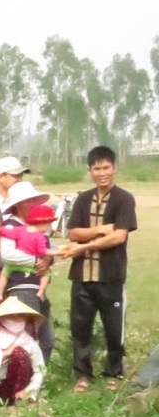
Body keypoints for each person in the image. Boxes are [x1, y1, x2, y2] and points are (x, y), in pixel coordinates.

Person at [65, 145, 137, 392]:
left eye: (106, 167)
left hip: (111, 274)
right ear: (90, 170)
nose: (102, 173)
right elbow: (73, 232)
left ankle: (113, 373)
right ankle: (83, 375)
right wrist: (98, 230)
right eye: (97, 168)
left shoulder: (124, 199)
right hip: (82, 275)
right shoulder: (83, 199)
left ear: (114, 168)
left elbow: (119, 236)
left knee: (114, 327)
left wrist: (84, 246)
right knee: (80, 328)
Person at [0, 181, 55, 361]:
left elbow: (49, 248)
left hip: (36, 283)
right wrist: (37, 261)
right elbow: (7, 255)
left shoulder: (36, 223)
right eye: (28, 201)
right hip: (19, 285)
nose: (32, 204)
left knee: (46, 337)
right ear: (18, 204)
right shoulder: (11, 226)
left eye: (34, 200)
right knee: (26, 335)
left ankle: (41, 370)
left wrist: (47, 259)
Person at [0, 204, 62, 303]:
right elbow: (7, 255)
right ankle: (41, 291)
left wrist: (48, 259)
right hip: (24, 279)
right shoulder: (38, 235)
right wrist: (41, 260)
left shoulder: (20, 229)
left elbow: (7, 232)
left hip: (14, 269)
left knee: (4, 274)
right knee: (47, 274)